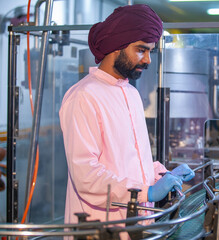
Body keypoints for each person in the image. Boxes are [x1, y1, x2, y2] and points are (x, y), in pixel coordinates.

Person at [59, 4, 194, 227]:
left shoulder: (130, 93)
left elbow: (132, 161)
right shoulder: (84, 96)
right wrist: (147, 192)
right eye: (141, 49)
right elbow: (86, 176)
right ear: (116, 47)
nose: (148, 60)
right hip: (101, 226)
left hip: (137, 223)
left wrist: (160, 174)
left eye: (150, 51)